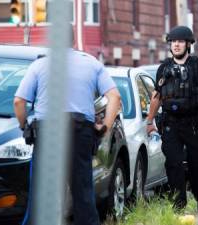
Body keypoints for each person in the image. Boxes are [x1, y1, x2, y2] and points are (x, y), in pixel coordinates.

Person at [13, 35, 120, 225]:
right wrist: (105, 127)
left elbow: (19, 101)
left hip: (48, 132)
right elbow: (114, 96)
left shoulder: (39, 66)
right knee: (83, 191)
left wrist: (25, 127)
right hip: (80, 132)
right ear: (73, 42)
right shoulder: (92, 64)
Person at [146, 26, 198, 215]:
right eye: (173, 41)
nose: (176, 44)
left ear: (188, 44)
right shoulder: (163, 68)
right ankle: (178, 201)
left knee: (196, 163)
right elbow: (157, 96)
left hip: (194, 123)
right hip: (171, 123)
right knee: (173, 163)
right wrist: (150, 121)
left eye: (180, 41)